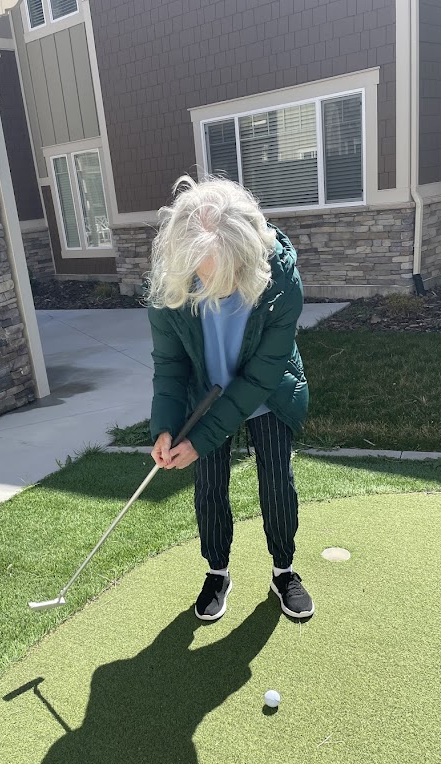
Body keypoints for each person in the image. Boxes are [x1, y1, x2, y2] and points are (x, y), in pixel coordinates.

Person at [147, 175, 313, 623]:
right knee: (209, 487)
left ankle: (284, 570)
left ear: (245, 252)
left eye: (221, 274)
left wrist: (202, 438)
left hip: (268, 390)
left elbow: (260, 377)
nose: (213, 288)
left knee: (278, 481)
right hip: (206, 395)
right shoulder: (171, 280)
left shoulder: (280, 278)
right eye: (200, 274)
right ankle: (217, 572)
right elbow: (170, 366)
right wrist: (166, 426)